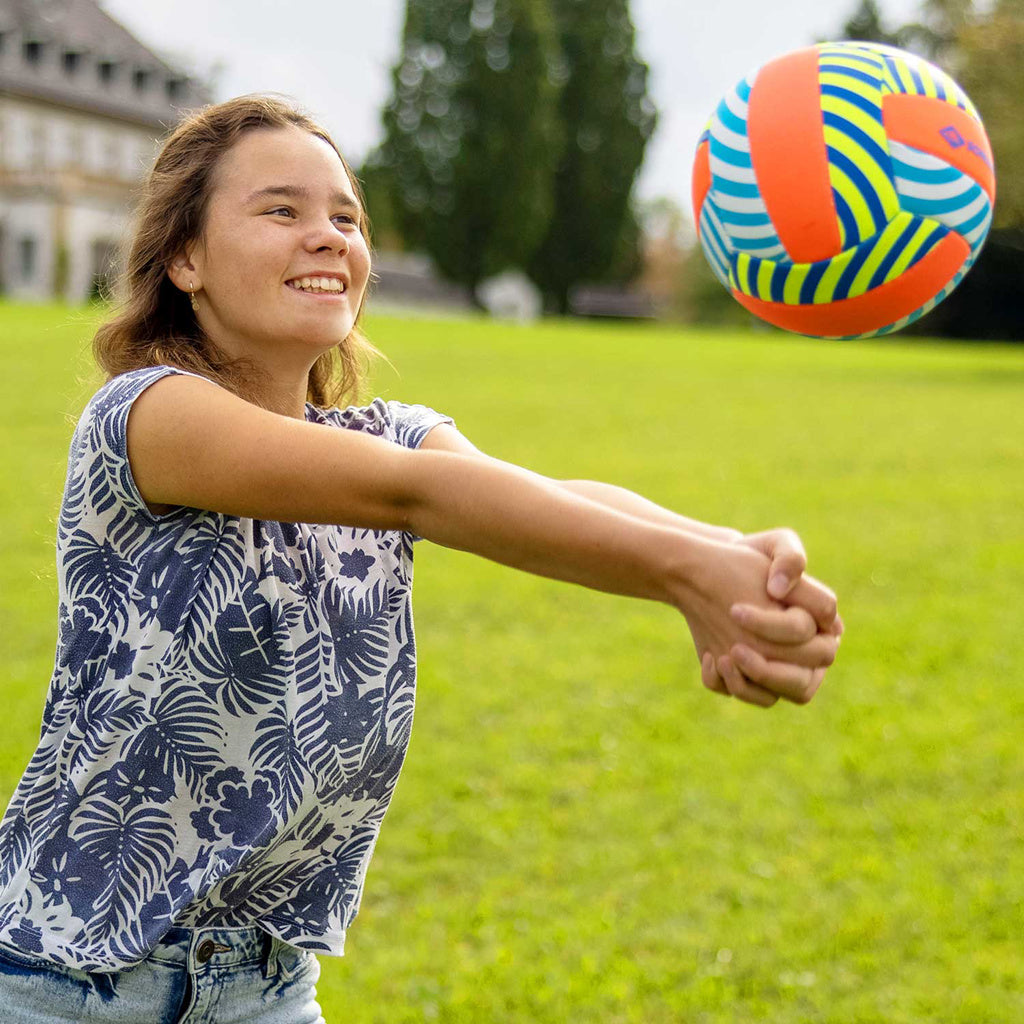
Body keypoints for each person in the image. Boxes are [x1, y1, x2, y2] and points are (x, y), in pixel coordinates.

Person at [0, 95, 842, 1022]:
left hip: (263, 983)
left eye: (346, 217)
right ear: (184, 258)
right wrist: (685, 576)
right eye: (282, 211)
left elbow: (542, 496)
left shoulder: (385, 435)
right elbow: (418, 495)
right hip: (68, 983)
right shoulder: (148, 416)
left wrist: (726, 553)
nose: (327, 236)